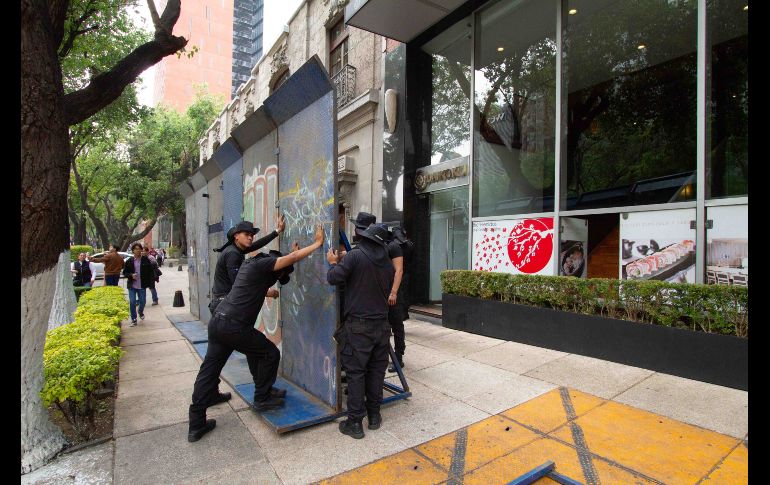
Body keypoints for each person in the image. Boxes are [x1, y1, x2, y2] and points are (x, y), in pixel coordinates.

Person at [187, 225, 324, 443]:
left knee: (211, 369)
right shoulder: (263, 265)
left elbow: (287, 260)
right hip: (234, 326)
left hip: (219, 322)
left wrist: (291, 254)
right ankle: (262, 397)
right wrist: (316, 244)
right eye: (280, 274)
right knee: (270, 354)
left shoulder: (251, 265)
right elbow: (288, 260)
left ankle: (196, 423)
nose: (279, 277)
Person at [326, 223, 395, 439]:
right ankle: (374, 416)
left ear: (364, 237)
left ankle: (355, 422)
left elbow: (333, 278)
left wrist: (332, 263)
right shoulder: (387, 263)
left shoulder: (355, 256)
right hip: (382, 326)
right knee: (376, 372)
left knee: (356, 373)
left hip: (359, 327)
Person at [209, 214, 286, 314]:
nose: (250, 238)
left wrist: (278, 230)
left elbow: (257, 244)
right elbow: (239, 283)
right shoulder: (233, 254)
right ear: (236, 236)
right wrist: (266, 292)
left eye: (252, 235)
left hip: (225, 303)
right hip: (224, 305)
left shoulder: (237, 248)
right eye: (246, 234)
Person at [386, 226, 413, 372]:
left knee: (396, 324)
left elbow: (399, 270)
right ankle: (398, 355)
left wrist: (393, 292)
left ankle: (398, 356)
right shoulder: (409, 245)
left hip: (395, 287)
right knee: (397, 324)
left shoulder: (393, 247)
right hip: (400, 285)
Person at [122, 243, 155, 326]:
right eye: (136, 249)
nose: (138, 250)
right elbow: (125, 273)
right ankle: (134, 319)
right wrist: (131, 275)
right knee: (132, 302)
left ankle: (140, 312)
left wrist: (152, 284)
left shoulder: (145, 260)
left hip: (142, 285)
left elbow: (151, 272)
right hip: (132, 285)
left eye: (139, 248)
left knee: (143, 302)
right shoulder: (129, 261)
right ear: (133, 250)